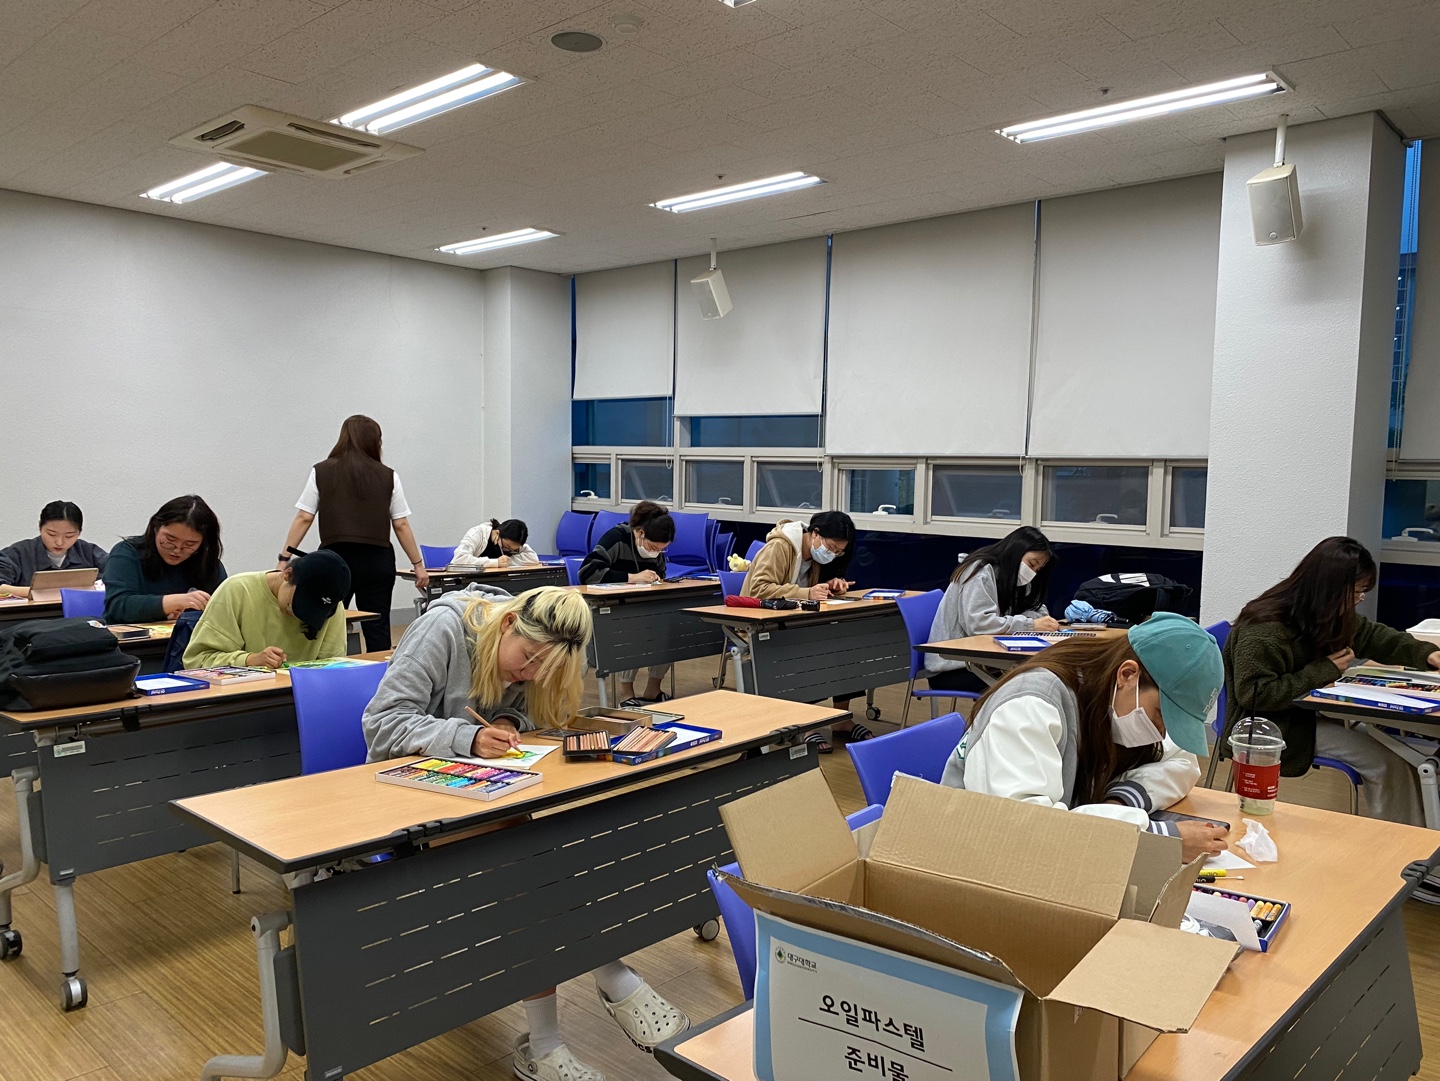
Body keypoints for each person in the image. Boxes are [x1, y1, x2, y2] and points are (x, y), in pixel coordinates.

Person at [362, 585, 689, 1081]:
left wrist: (507, 720)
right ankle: (605, 976)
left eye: (544, 668)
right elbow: (381, 725)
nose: (531, 673)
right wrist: (468, 736)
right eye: (529, 658)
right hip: (406, 794)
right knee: (522, 870)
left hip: (482, 797)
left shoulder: (522, 655)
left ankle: (546, 1041)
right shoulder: (442, 628)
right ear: (509, 623)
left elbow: (523, 710)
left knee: (533, 858)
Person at [941, 613, 1228, 865]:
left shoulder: (1106, 694)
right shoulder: (1029, 706)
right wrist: (1158, 838)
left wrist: (1121, 801)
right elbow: (1027, 828)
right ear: (1127, 675)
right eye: (1161, 715)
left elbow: (1182, 760)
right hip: (974, 865)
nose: (1162, 732)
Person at [1224, 536, 1440, 827]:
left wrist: (1428, 654)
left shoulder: (1321, 611)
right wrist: (1324, 670)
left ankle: (1418, 833)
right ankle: (1401, 843)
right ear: (1331, 588)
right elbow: (1255, 695)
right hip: (1276, 727)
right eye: (1357, 592)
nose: (1359, 600)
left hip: (1305, 714)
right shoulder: (1265, 626)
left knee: (1404, 755)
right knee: (1387, 763)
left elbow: (1373, 636)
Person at [278, 415, 430, 652]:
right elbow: (400, 524)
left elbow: (304, 517)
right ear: (375, 442)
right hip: (377, 560)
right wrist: (418, 565)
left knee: (328, 621)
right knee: (378, 626)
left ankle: (327, 669)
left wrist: (284, 558)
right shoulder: (388, 475)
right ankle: (380, 672)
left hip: (334, 561)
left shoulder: (321, 471)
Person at [742, 511, 873, 752]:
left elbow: (811, 591)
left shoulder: (813, 555)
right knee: (812, 649)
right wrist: (807, 593)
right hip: (763, 624)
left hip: (796, 622)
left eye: (838, 552)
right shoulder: (780, 547)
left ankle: (840, 718)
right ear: (815, 534)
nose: (832, 554)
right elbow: (758, 589)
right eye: (831, 548)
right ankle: (806, 724)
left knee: (846, 644)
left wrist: (832, 586)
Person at [923, 526, 1059, 695]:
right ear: (1016, 551)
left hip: (988, 662)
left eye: (1037, 569)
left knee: (1047, 676)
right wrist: (1030, 625)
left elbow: (1037, 609)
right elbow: (980, 625)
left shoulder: (1014, 576)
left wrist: (1031, 622)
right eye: (1031, 564)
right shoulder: (980, 573)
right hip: (955, 666)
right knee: (1031, 684)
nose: (1032, 572)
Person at [182, 549, 351, 670]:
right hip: (244, 699)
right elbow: (196, 661)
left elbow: (334, 666)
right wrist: (250, 660)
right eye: (298, 606)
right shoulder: (237, 591)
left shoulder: (331, 608)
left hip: (301, 696)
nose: (298, 617)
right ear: (287, 575)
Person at [580, 501, 676, 707]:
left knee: (670, 626)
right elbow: (588, 572)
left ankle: (653, 689)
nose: (655, 553)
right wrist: (632, 577)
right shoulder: (616, 538)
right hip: (611, 608)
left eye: (662, 550)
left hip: (643, 605)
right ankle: (626, 693)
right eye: (653, 547)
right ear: (640, 533)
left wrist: (657, 579)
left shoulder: (655, 551)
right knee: (633, 628)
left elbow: (660, 573)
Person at [104, 495, 227, 623]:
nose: (177, 549)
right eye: (170, 540)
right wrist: (176, 602)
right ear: (155, 528)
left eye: (189, 544)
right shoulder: (127, 553)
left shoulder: (207, 564)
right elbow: (118, 606)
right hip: (131, 635)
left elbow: (225, 610)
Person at [0, 501, 109, 599]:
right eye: (51, 534)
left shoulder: (88, 552)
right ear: (40, 528)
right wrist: (41, 593)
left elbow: (116, 575)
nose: (59, 542)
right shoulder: (18, 553)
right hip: (30, 613)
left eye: (69, 536)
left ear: (79, 532)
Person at [451, 517, 539, 569]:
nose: (507, 550)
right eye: (506, 546)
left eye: (513, 550)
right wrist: (496, 562)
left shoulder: (513, 542)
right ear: (497, 533)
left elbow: (533, 558)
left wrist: (507, 561)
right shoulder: (477, 533)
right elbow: (459, 560)